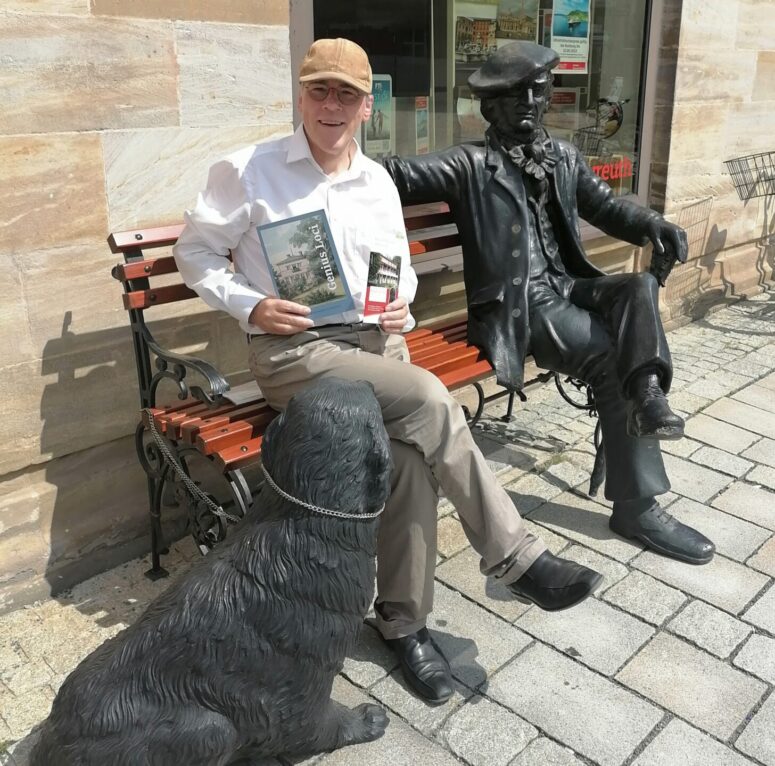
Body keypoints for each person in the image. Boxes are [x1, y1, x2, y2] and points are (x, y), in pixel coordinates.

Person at [173, 38, 602, 706]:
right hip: (297, 354)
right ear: (300, 94)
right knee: (433, 403)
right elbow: (196, 253)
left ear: (367, 105)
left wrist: (398, 299)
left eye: (346, 94)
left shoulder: (374, 179)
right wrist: (249, 302)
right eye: (319, 90)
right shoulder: (247, 170)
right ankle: (514, 558)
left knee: (406, 464)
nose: (331, 105)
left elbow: (393, 263)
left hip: (377, 345)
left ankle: (403, 624)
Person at [383, 41, 716, 569]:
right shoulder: (470, 165)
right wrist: (325, 159)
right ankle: (637, 506)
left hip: (567, 284)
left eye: (538, 92)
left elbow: (606, 207)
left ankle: (648, 397)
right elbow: (395, 176)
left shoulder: (561, 155)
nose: (532, 103)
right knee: (612, 356)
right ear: (489, 108)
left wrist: (652, 223)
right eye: (516, 95)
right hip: (521, 306)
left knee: (636, 288)